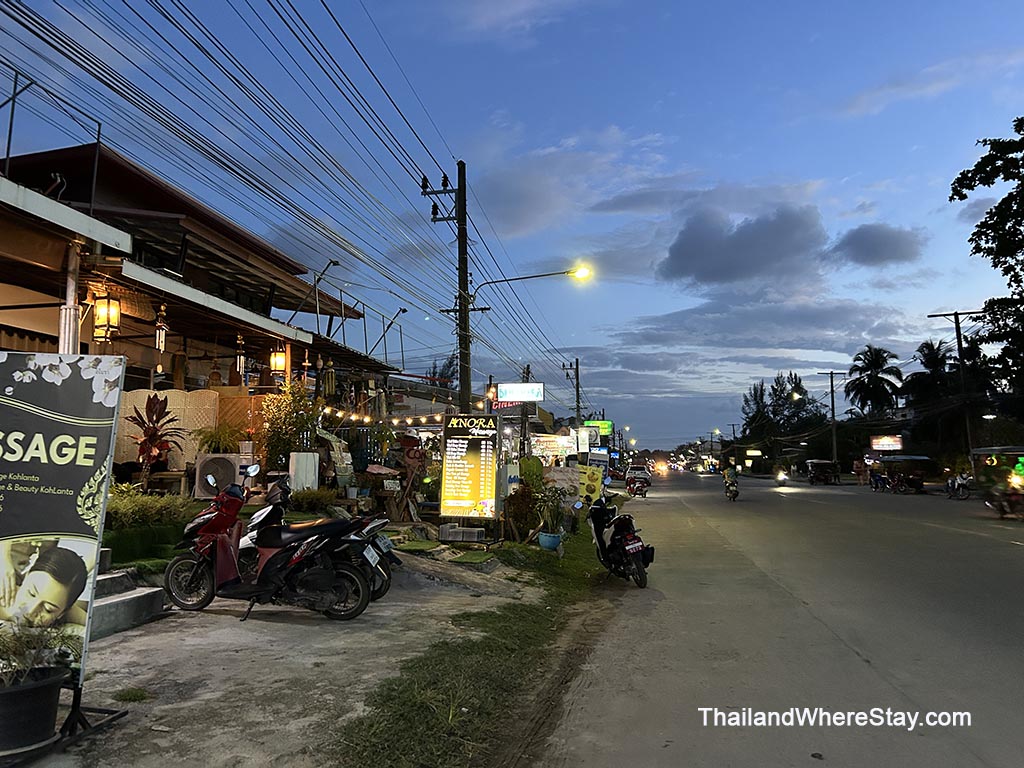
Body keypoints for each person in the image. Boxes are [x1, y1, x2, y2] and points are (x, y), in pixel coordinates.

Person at [0, 545, 88, 630]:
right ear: (27, 576)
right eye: (31, 593)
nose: (30, 612)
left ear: (62, 613)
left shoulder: (66, 612)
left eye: (48, 609)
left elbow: (89, 622)